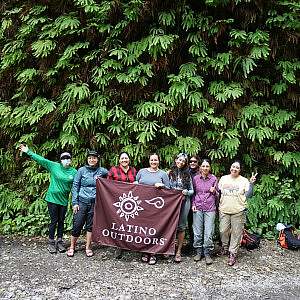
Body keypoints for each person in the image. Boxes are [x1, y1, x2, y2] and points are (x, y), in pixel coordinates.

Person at [19, 144, 77, 254]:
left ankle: (59, 241)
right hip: (52, 199)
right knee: (54, 220)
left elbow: (78, 185)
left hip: (63, 200)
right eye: (63, 158)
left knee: (61, 221)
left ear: (71, 160)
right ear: (60, 160)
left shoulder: (74, 172)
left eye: (68, 158)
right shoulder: (54, 166)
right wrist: (27, 151)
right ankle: (51, 242)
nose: (66, 160)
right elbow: (41, 159)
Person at [67, 150, 108, 257]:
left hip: (94, 203)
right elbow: (75, 186)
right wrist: (75, 202)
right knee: (77, 224)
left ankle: (88, 247)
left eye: (94, 158)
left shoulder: (102, 171)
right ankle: (72, 247)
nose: (92, 160)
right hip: (81, 202)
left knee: (90, 226)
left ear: (97, 159)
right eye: (90, 158)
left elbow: (112, 177)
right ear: (87, 159)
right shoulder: (81, 170)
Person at [218, 160, 257, 266]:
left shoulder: (244, 180)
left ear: (240, 170)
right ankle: (225, 247)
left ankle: (232, 253)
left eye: (237, 167)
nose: (234, 169)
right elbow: (219, 192)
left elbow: (249, 195)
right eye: (233, 167)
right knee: (222, 230)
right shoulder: (223, 179)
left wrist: (252, 183)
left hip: (238, 210)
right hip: (224, 209)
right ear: (230, 167)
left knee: (236, 233)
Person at [135, 153, 170, 265]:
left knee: (155, 229)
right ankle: (145, 251)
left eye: (156, 160)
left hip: (156, 207)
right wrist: (135, 184)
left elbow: (169, 190)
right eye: (152, 160)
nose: (153, 162)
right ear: (149, 161)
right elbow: (136, 184)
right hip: (142, 205)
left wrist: (162, 186)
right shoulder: (142, 172)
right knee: (143, 229)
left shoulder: (163, 174)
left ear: (159, 161)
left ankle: (153, 252)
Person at [108, 152, 137, 258]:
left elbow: (138, 185)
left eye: (126, 158)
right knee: (118, 223)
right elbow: (108, 185)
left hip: (131, 201)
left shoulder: (134, 170)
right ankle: (118, 246)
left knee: (129, 223)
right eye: (122, 158)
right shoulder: (113, 170)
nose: (124, 160)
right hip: (117, 200)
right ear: (119, 160)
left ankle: (128, 244)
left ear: (129, 159)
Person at [192, 159, 218, 265]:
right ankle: (198, 252)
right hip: (197, 207)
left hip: (210, 208)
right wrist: (193, 204)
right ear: (200, 167)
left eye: (207, 166)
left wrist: (215, 191)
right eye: (203, 166)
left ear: (210, 168)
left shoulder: (213, 179)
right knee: (197, 232)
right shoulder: (195, 179)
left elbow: (218, 195)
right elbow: (192, 193)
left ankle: (207, 253)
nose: (205, 168)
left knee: (208, 233)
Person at [168, 153, 194, 263]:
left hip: (184, 202)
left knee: (182, 226)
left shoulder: (187, 175)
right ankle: (169, 249)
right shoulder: (169, 173)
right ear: (175, 160)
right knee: (170, 225)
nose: (181, 162)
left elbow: (192, 190)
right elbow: (166, 187)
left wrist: (187, 192)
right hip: (172, 203)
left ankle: (178, 251)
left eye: (183, 161)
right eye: (179, 160)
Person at [186, 155, 200, 253]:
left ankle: (197, 244)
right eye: (191, 161)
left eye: (195, 161)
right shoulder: (186, 172)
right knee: (189, 223)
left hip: (197, 202)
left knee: (197, 224)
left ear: (198, 162)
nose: (192, 163)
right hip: (187, 201)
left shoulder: (201, 173)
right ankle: (191, 243)